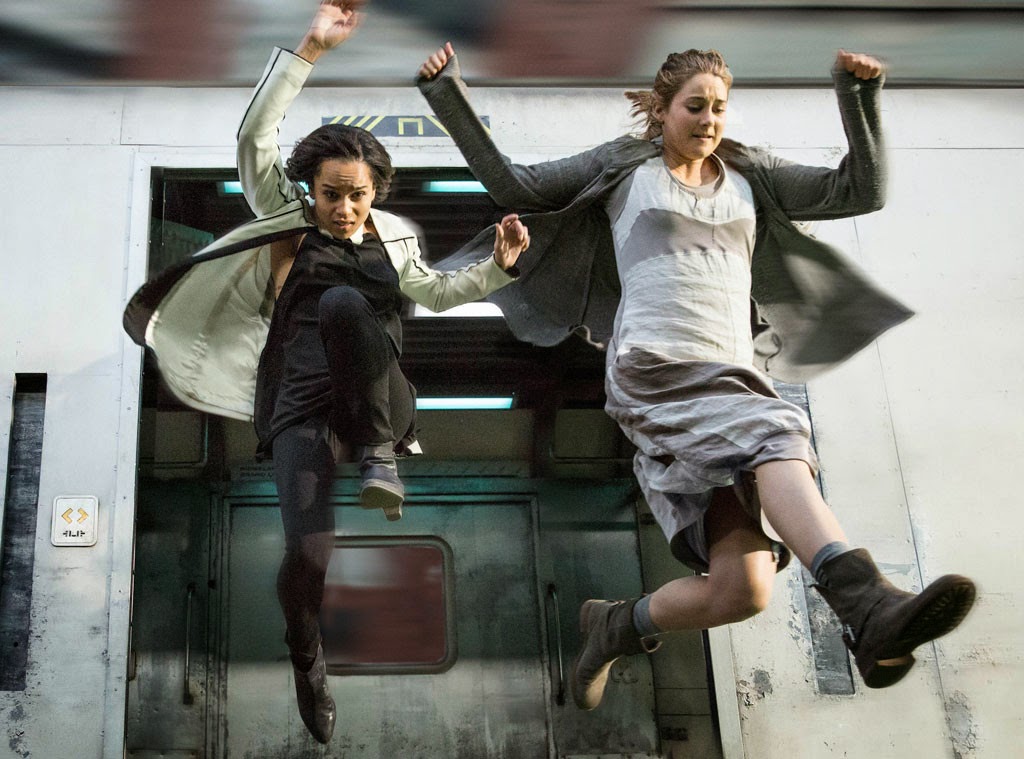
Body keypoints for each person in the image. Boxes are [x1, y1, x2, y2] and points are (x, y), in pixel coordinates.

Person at [416, 44, 976, 709]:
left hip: (731, 378)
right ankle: (864, 602)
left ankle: (616, 625)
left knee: (744, 588)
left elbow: (860, 191)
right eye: (695, 106)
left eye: (719, 108)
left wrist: (857, 95)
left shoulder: (750, 173)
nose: (709, 120)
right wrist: (447, 93)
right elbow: (516, 186)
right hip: (655, 367)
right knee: (778, 433)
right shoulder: (625, 168)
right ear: (661, 110)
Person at [125, 1, 529, 744]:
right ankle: (306, 657)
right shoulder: (289, 219)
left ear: (377, 193)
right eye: (332, 194)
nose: (344, 209)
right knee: (309, 553)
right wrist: (309, 49)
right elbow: (254, 138)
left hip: (377, 397)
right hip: (298, 404)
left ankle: (378, 455)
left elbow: (438, 292)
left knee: (346, 303)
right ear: (310, 189)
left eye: (358, 195)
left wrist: (496, 268)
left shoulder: (395, 239)